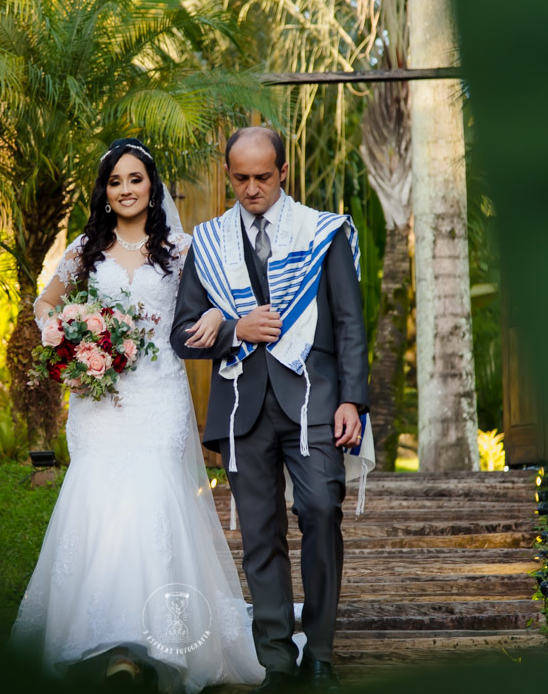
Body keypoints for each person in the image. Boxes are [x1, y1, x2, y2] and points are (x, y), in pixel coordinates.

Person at [8, 138, 266, 693]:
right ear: (104, 192)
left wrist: (219, 315)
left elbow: (223, 295)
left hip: (158, 396)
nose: (125, 190)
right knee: (100, 501)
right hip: (100, 401)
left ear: (153, 186)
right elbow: (45, 304)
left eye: (135, 180)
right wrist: (74, 337)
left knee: (152, 499)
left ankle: (151, 641)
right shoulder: (85, 250)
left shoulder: (182, 248)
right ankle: (116, 648)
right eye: (115, 182)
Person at [170, 127, 371, 693]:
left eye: (263, 176)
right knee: (259, 534)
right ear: (228, 175)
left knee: (321, 511)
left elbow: (350, 321)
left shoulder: (322, 232)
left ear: (283, 172)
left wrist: (353, 399)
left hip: (315, 400)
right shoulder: (208, 244)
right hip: (243, 408)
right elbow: (184, 336)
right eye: (241, 178)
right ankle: (278, 663)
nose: (252, 188)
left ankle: (322, 656)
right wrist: (234, 327)